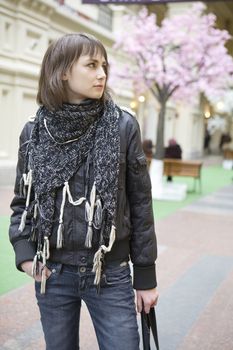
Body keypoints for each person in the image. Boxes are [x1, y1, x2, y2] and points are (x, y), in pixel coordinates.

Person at [9, 33, 158, 350]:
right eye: (91, 65)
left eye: (104, 65)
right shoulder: (34, 131)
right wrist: (24, 254)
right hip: (52, 273)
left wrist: (145, 277)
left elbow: (141, 205)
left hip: (110, 271)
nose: (102, 73)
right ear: (63, 71)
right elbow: (23, 201)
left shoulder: (122, 126)